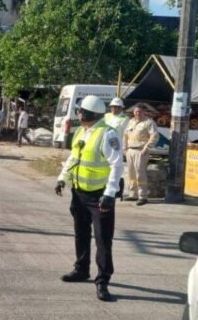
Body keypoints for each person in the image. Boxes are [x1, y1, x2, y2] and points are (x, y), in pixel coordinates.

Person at [55, 95, 124, 302]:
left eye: (80, 111)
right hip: (79, 193)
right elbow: (73, 158)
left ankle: (102, 280)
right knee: (81, 234)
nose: (78, 113)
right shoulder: (81, 132)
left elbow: (117, 165)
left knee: (103, 240)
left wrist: (110, 194)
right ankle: (81, 269)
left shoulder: (107, 134)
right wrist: (62, 178)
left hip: (100, 197)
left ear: (87, 114)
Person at [123, 105, 159, 206]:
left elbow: (154, 136)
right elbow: (125, 135)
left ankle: (142, 196)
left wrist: (146, 148)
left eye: (139, 112)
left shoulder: (149, 122)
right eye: (136, 112)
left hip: (141, 151)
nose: (137, 114)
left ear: (144, 112)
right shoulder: (131, 121)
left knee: (140, 174)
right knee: (131, 174)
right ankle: (133, 194)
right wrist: (125, 149)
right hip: (130, 151)